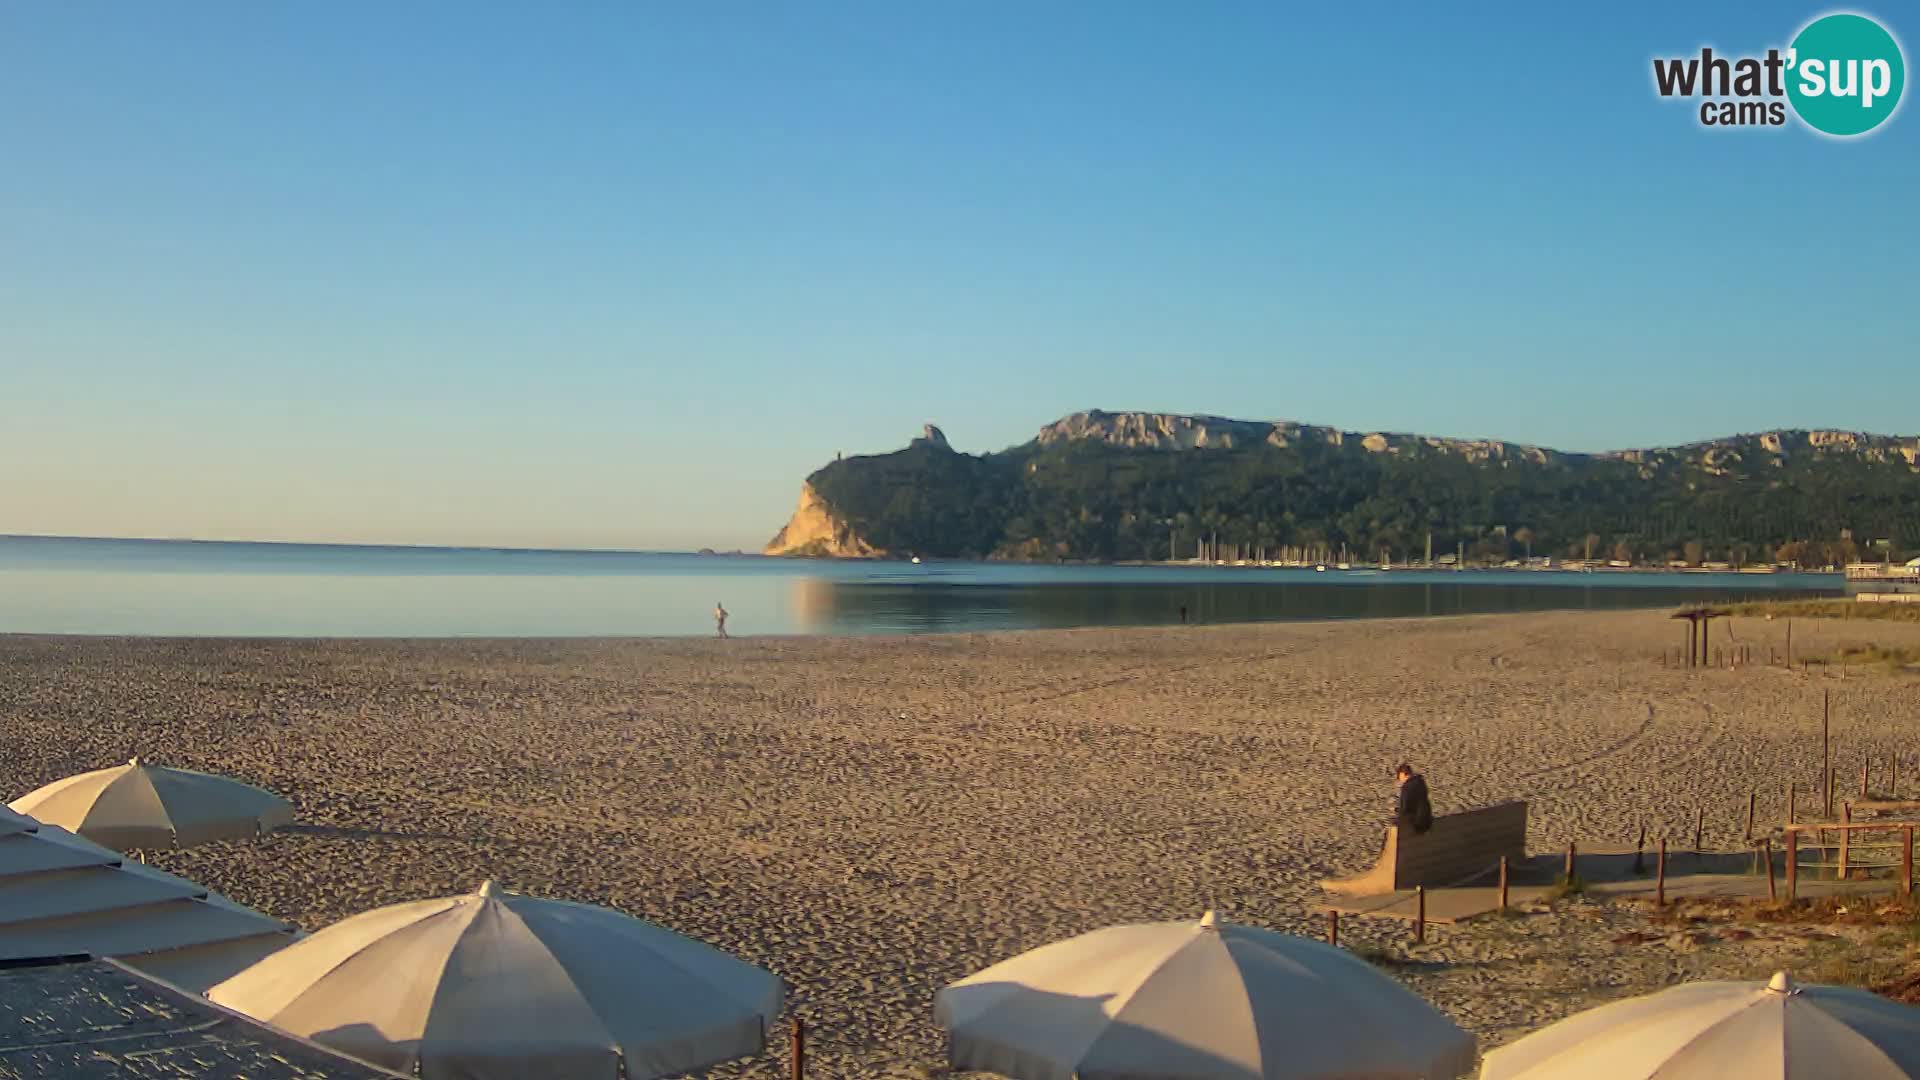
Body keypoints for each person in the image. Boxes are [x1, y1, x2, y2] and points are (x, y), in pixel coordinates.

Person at [1393, 763, 1433, 834]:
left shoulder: (1407, 787)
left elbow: (1405, 809)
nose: (1399, 779)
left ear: (1403, 774)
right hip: (1427, 820)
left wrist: (1397, 814)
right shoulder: (1420, 782)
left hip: (1417, 824)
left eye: (1399, 776)